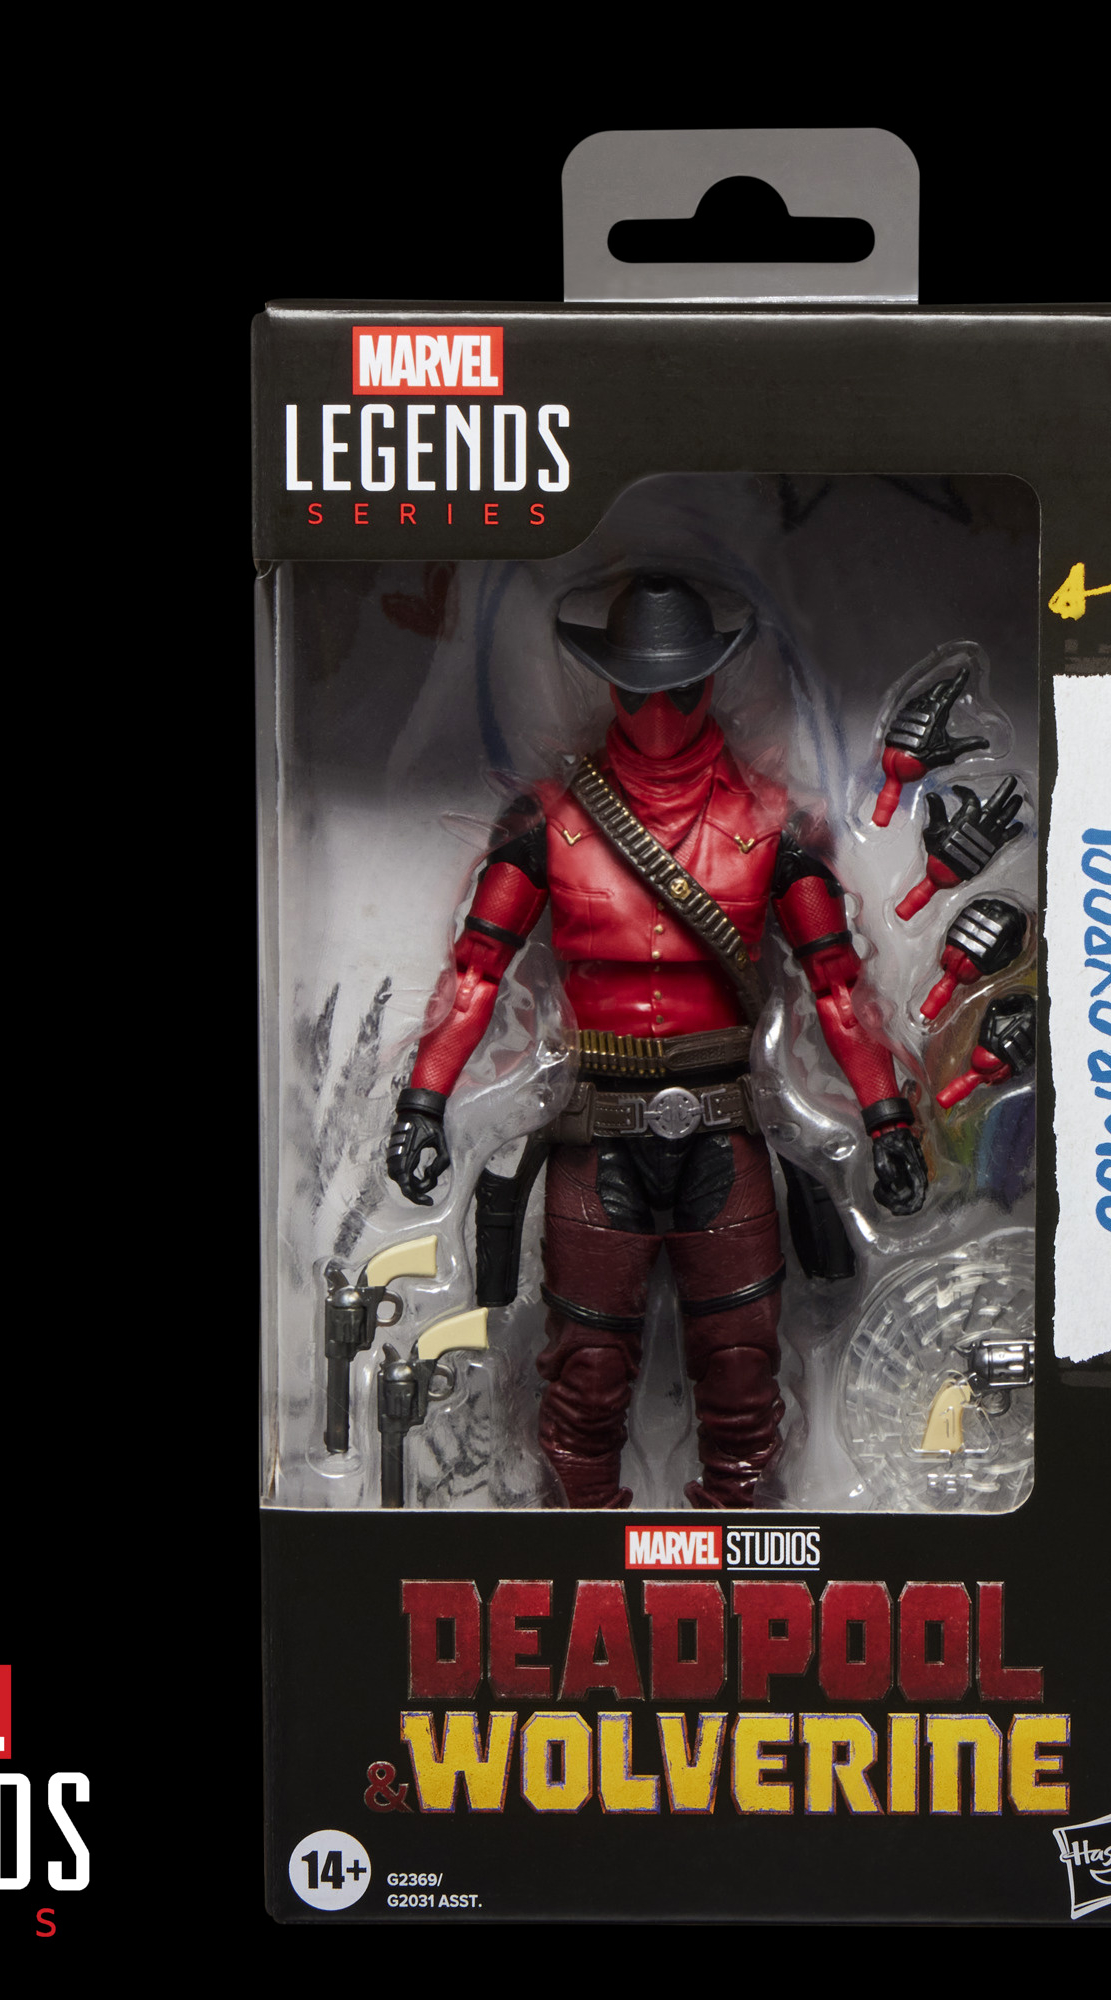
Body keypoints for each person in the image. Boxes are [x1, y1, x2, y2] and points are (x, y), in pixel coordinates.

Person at [385, 574, 927, 1507]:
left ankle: (738, 1572)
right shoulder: (549, 822)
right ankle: (583, 1568)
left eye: (682, 687)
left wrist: (887, 1120)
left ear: (712, 680)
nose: (662, 712)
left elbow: (838, 988)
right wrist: (423, 1102)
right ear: (609, 684)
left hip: (723, 1130)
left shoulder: (774, 826)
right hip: (597, 1135)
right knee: (584, 1386)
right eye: (639, 690)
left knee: (744, 1383)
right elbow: (475, 973)